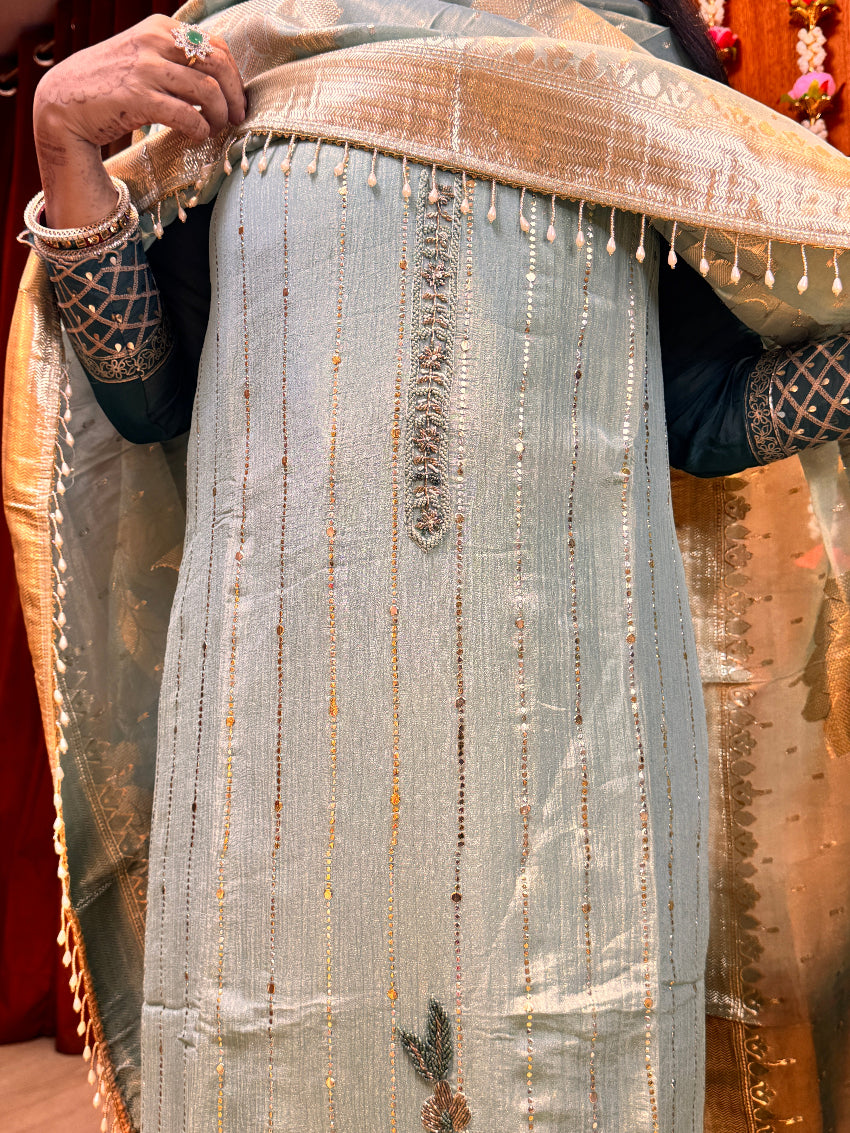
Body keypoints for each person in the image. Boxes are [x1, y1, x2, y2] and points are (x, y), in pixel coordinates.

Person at [9, 0, 850, 1129]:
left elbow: (699, 414)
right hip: (278, 745)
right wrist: (66, 144)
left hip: (569, 736)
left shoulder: (629, 72)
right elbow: (147, 388)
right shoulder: (238, 54)